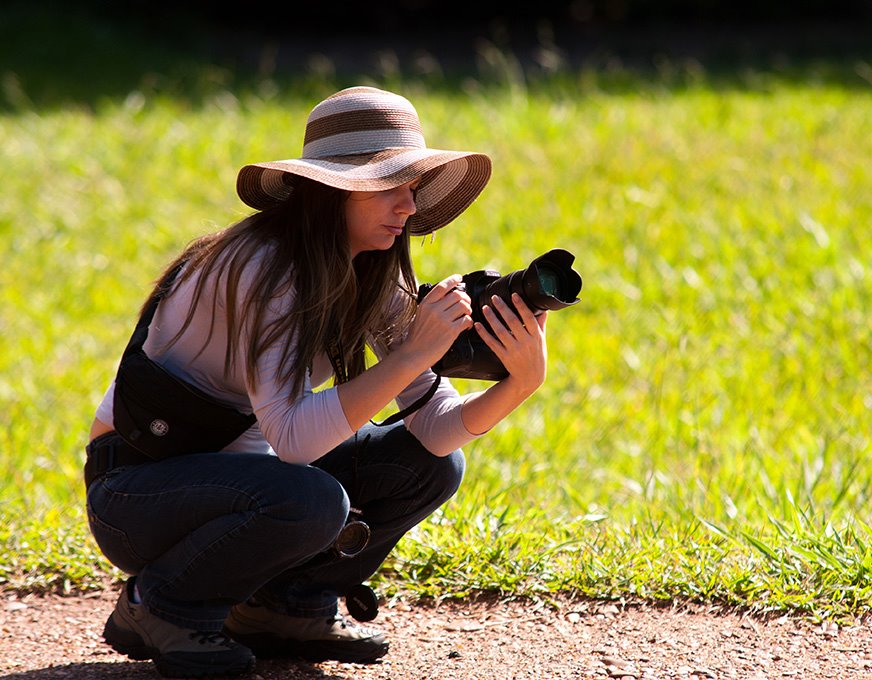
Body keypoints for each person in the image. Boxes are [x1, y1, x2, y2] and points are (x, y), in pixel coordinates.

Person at [83, 86, 549, 678]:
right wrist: (409, 356)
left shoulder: (369, 270)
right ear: (331, 187)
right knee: (310, 499)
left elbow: (434, 432)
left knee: (431, 467)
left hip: (235, 481)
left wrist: (519, 384)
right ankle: (162, 603)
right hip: (136, 491)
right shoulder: (262, 268)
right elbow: (296, 441)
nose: (408, 206)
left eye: (412, 187)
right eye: (389, 185)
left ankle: (282, 608)